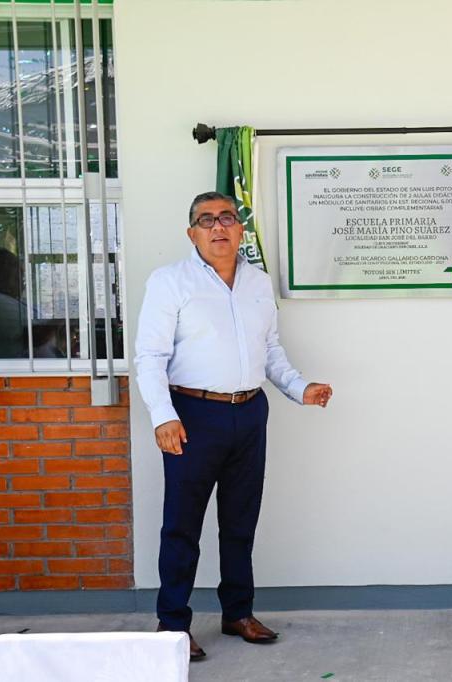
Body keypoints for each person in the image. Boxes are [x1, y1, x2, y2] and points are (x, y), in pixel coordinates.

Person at [135, 191, 333, 661]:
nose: (218, 226)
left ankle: (237, 613)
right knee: (181, 527)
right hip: (192, 417)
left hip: (249, 412)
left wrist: (300, 387)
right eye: (206, 220)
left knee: (240, 522)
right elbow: (150, 357)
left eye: (227, 217)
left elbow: (271, 351)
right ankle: (173, 626)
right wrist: (163, 416)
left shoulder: (259, 283)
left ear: (240, 228)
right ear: (192, 233)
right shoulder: (170, 282)